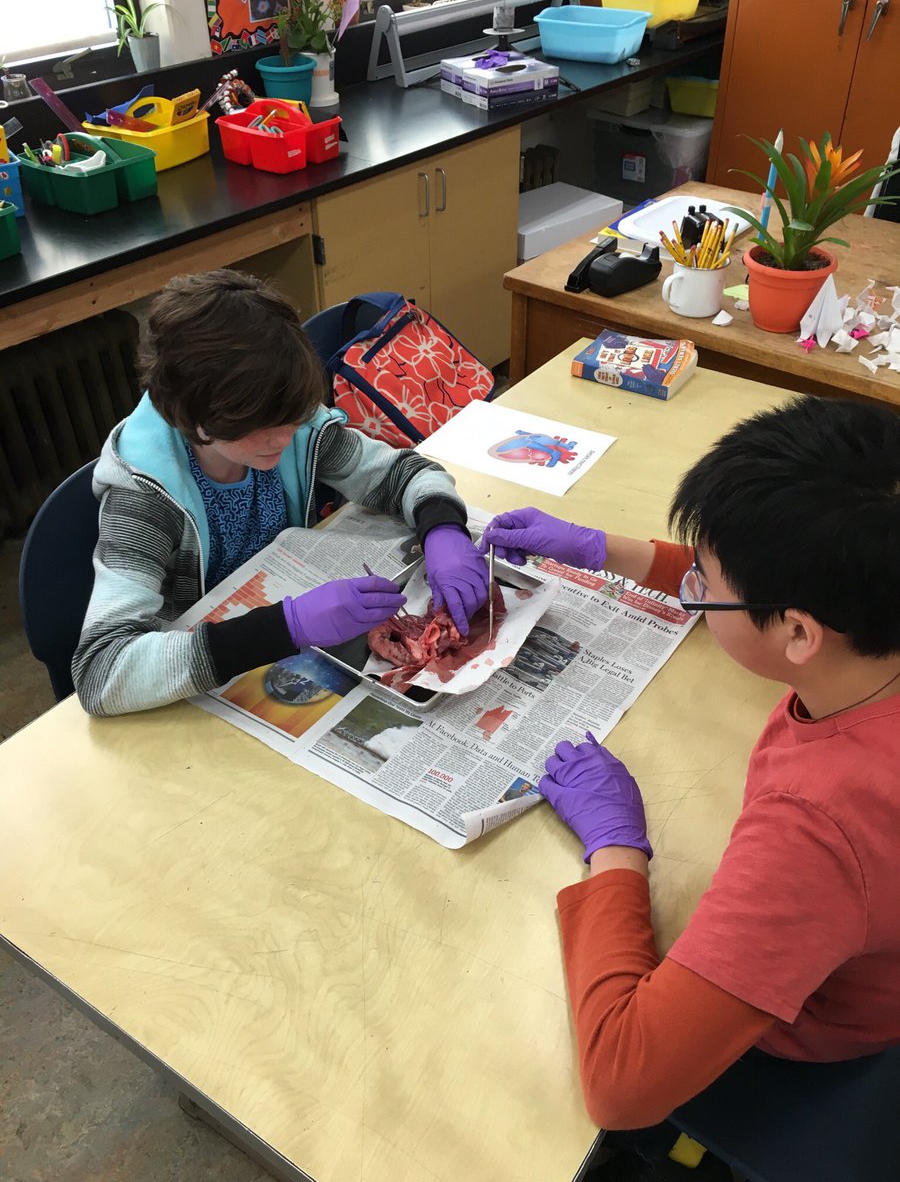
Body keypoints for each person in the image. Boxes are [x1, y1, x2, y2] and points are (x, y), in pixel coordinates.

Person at [479, 396, 900, 1177]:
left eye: (703, 576)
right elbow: (761, 588)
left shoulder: (823, 826)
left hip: (814, 1055)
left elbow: (621, 1082)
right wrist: (596, 548)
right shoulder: (872, 608)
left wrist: (615, 850)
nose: (693, 584)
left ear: (802, 635)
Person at [74, 270, 488, 717]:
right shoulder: (143, 499)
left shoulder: (296, 428)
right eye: (264, 426)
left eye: (293, 417)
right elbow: (101, 671)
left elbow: (402, 474)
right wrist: (285, 627)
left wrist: (443, 527)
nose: (286, 437)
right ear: (195, 418)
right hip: (204, 677)